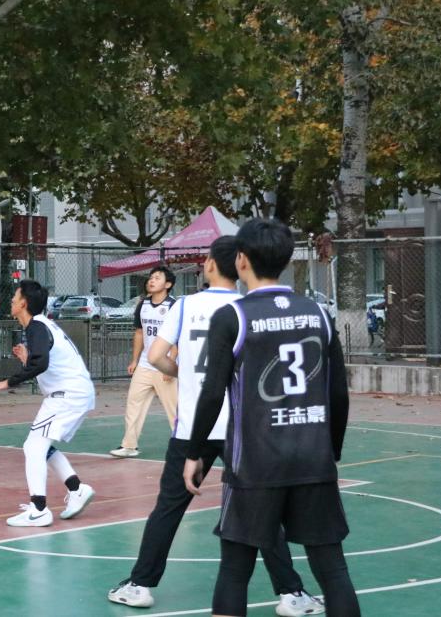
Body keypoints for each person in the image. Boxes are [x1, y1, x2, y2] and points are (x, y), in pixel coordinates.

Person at [107, 238, 324, 616]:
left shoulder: (186, 306)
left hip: (194, 426)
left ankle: (139, 585)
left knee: (168, 508)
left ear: (209, 266)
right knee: (263, 509)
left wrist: (185, 373)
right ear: (241, 266)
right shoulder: (248, 309)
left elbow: (155, 355)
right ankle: (292, 593)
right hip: (244, 427)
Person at [184, 219, 359, 617]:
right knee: (333, 571)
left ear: (241, 260)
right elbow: (338, 393)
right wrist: (331, 451)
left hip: (255, 464)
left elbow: (211, 394)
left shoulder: (233, 317)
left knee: (234, 572)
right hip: (312, 461)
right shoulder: (318, 313)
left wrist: (194, 453)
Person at [0, 280, 96, 527]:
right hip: (73, 393)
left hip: (67, 395)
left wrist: (5, 383)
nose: (12, 300)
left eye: (15, 297)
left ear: (23, 303)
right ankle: (76, 489)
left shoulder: (37, 327)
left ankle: (39, 510)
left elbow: (41, 363)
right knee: (40, 446)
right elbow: (44, 362)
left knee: (34, 447)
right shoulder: (41, 326)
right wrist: (28, 359)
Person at [110, 266, 178, 458]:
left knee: (174, 409)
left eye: (157, 278)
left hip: (164, 365)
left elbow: (177, 339)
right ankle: (129, 445)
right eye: (151, 277)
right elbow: (139, 333)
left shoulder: (173, 306)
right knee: (134, 403)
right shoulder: (143, 304)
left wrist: (170, 365)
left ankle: (184, 445)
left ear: (168, 284)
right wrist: (135, 360)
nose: (151, 280)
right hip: (145, 365)